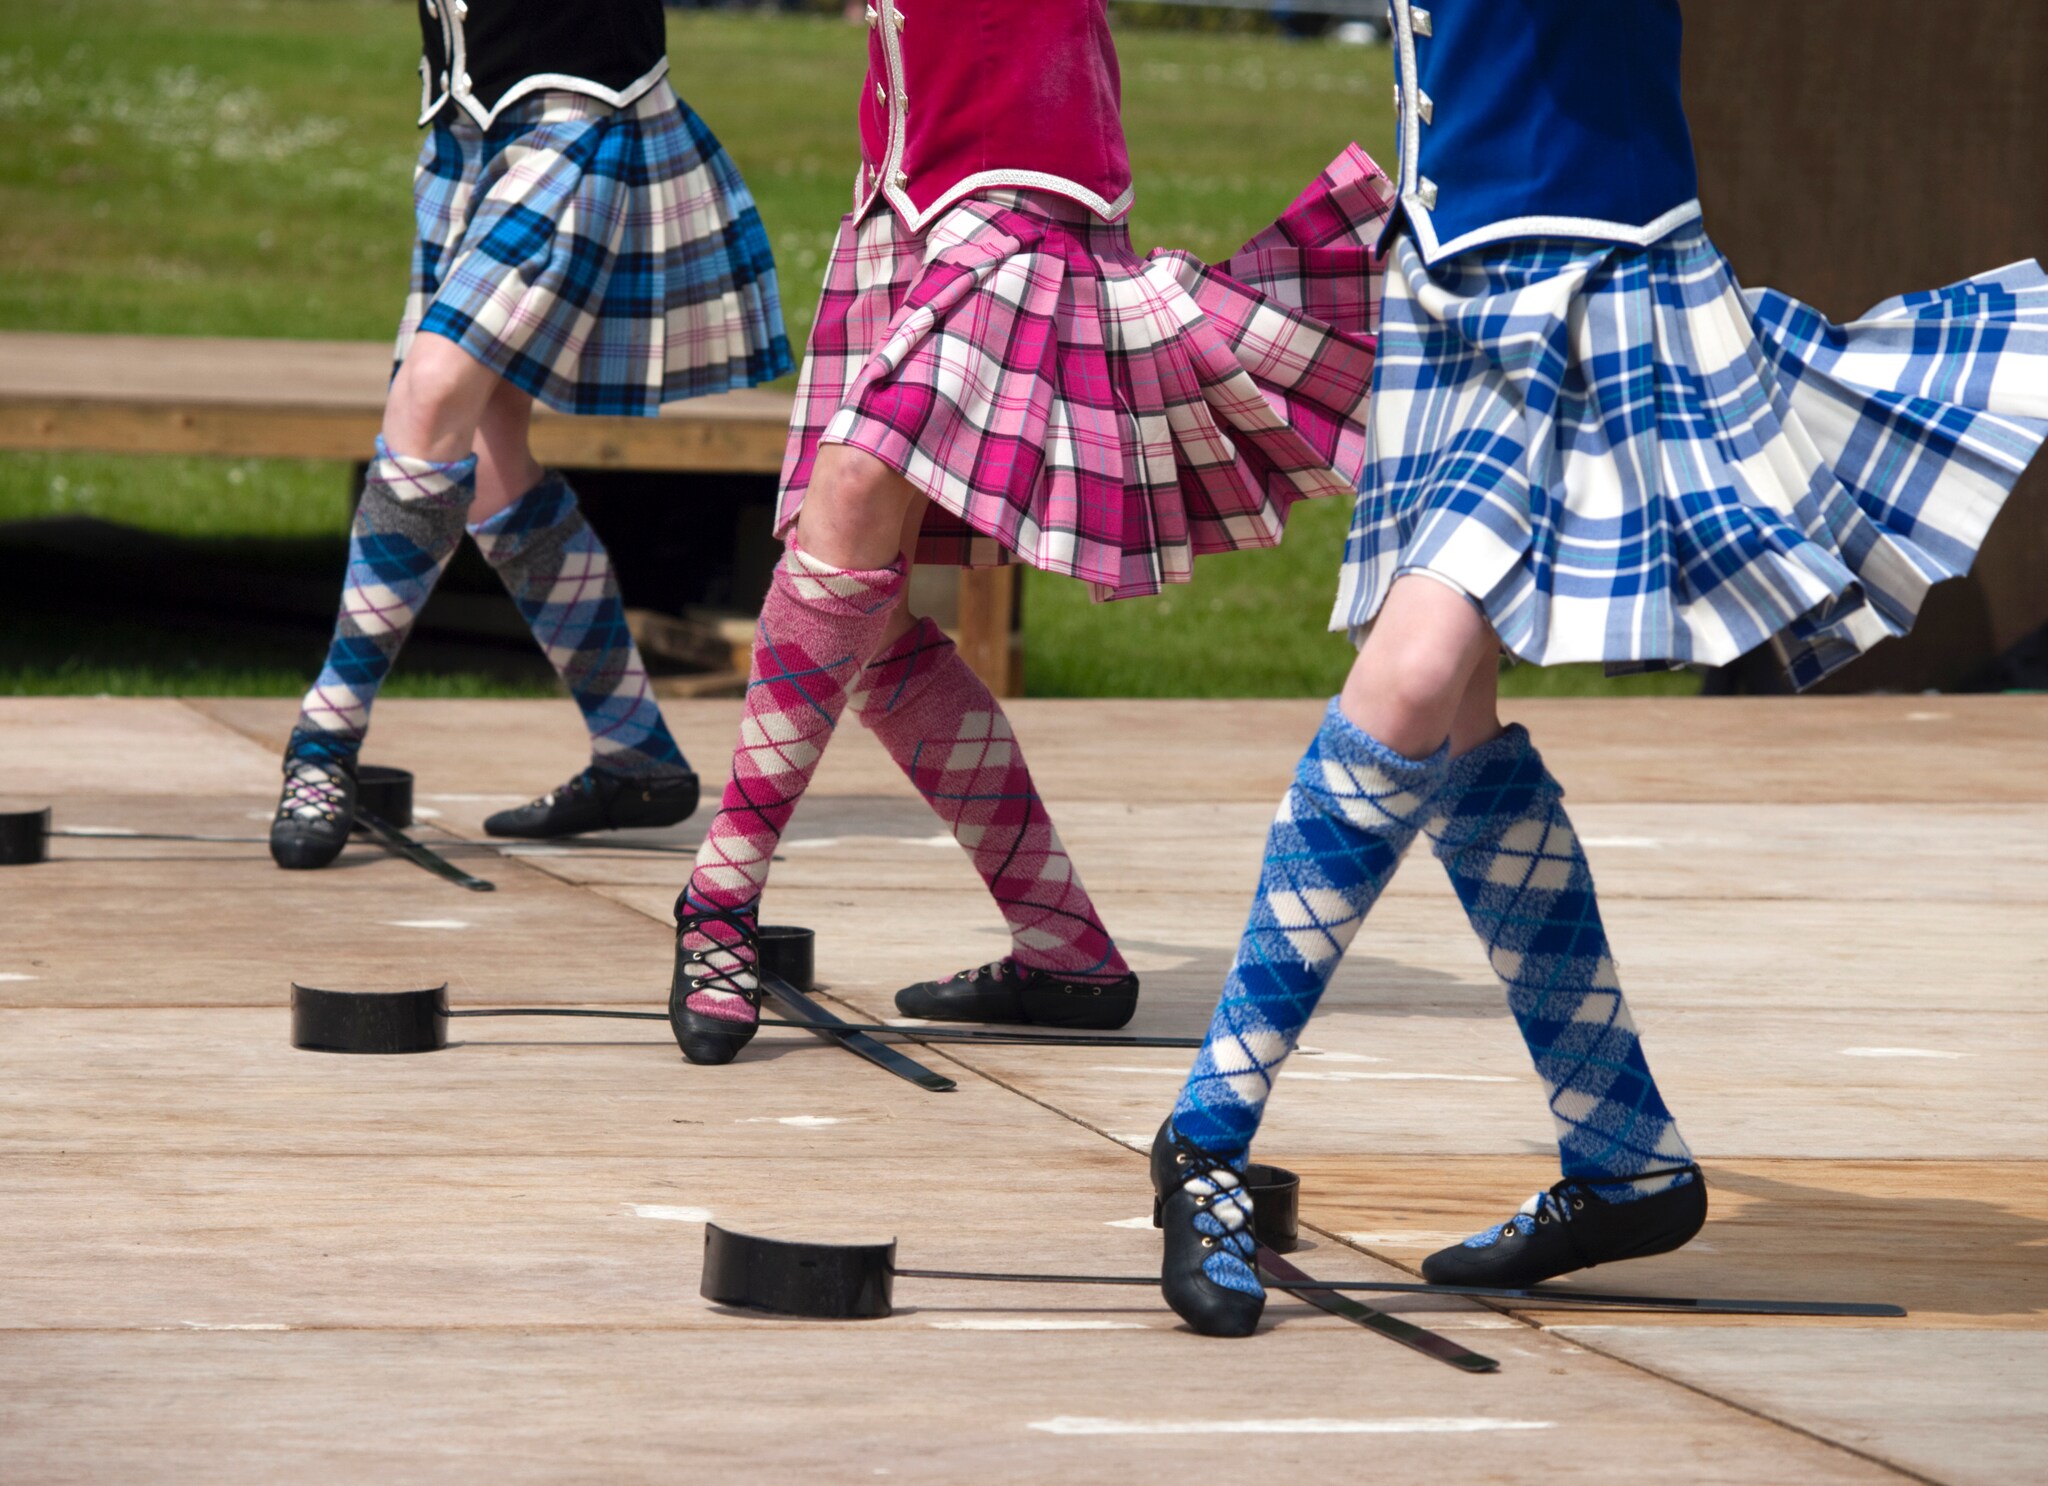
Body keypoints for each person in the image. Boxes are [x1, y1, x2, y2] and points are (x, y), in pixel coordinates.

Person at [1154, 0, 2048, 1336]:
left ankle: (1204, 1136)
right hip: (1451, 294)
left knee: (1408, 680)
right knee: (1448, 722)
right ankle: (1621, 1147)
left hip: (1589, 288)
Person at [666, 0, 1390, 1065]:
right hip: (909, 195)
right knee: (854, 614)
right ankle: (1063, 950)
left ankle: (718, 897)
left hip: (1017, 192)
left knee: (854, 494)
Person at [269, 0, 791, 869]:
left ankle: (324, 740)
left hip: (576, 120)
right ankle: (638, 755)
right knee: (491, 455)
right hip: (463, 127)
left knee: (432, 396)